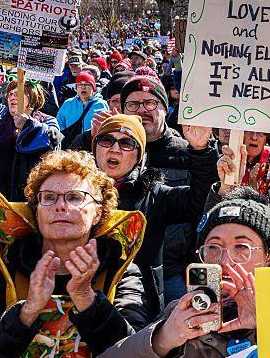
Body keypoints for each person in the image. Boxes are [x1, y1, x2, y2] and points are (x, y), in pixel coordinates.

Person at [0, 151, 150, 358]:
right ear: (36, 212)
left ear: (98, 212)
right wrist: (26, 312)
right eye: (48, 198)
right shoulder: (4, 276)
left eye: (74, 197)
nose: (60, 206)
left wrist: (87, 299)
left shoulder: (121, 274)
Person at [91, 193, 270, 358]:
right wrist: (163, 339)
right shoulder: (183, 313)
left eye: (241, 248)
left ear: (269, 256)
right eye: (213, 247)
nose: (224, 260)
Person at [92, 114, 218, 316]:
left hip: (140, 304)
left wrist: (201, 151)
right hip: (85, 295)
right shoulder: (74, 192)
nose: (114, 149)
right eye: (106, 140)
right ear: (95, 148)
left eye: (126, 143)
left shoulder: (154, 195)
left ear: (139, 155)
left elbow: (199, 202)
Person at [0, 81, 62, 202]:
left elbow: (54, 143)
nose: (12, 97)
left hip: (26, 197)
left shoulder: (46, 120)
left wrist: (28, 125)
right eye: (10, 94)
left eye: (18, 94)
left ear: (32, 97)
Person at [55, 71, 109, 138]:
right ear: (76, 87)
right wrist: (65, 137)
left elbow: (106, 126)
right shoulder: (68, 103)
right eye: (80, 84)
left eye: (87, 84)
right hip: (69, 145)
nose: (83, 87)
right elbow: (58, 123)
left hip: (91, 144)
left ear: (93, 87)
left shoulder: (101, 104)